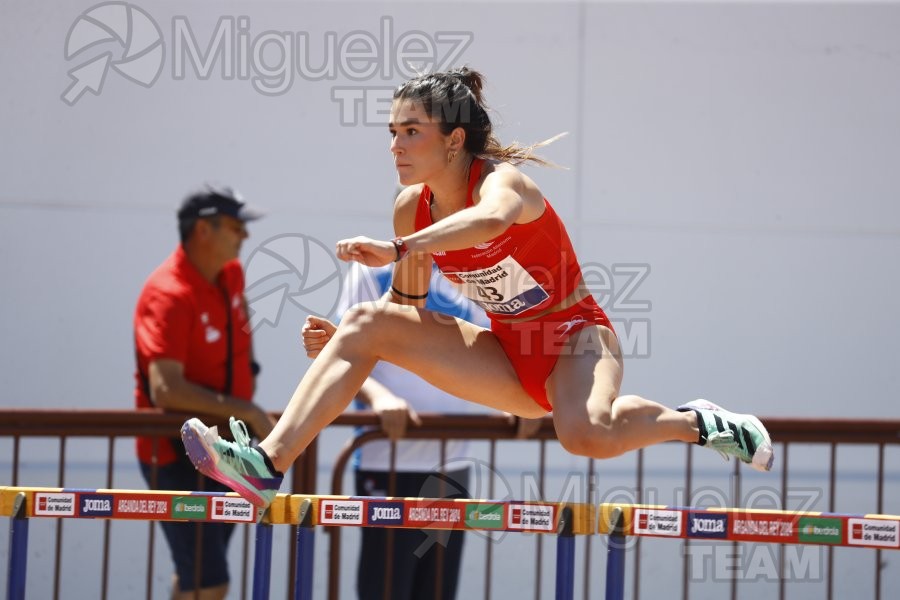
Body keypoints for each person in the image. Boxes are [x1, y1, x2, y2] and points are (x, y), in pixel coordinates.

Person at [179, 67, 774, 517]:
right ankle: (266, 463)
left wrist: (400, 249)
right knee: (366, 322)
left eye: (411, 132)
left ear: (455, 140)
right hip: (508, 352)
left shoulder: (502, 183)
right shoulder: (411, 209)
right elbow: (403, 311)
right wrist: (349, 346)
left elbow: (489, 224)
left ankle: (696, 422)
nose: (396, 145)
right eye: (392, 132)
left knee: (585, 433)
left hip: (573, 337)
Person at [134, 185, 275, 600]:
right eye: (235, 227)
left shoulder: (229, 273)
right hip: (177, 456)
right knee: (210, 582)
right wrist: (245, 407)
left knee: (197, 578)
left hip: (226, 453)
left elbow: (238, 338)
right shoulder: (168, 294)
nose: (245, 237)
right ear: (203, 231)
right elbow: (165, 389)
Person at [331, 261, 490, 600]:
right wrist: (378, 396)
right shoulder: (371, 271)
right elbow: (342, 350)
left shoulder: (473, 272)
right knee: (386, 590)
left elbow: (497, 354)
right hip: (387, 463)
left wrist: (524, 405)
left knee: (437, 592)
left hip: (451, 467)